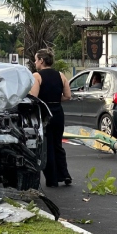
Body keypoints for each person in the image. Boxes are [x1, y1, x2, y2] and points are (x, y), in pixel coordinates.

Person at [30, 50, 73, 187]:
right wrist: (55, 99)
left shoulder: (36, 76)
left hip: (45, 114)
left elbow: (33, 97)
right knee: (57, 144)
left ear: (41, 60)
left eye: (36, 60)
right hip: (58, 112)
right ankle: (65, 174)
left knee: (47, 146)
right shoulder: (61, 75)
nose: (35, 63)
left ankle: (52, 179)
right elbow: (67, 96)